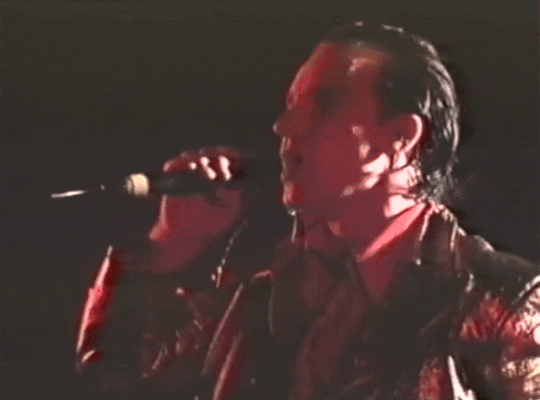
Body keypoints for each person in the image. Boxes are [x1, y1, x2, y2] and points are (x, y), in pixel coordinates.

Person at [76, 22, 540, 400]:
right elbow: (113, 378)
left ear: (400, 139)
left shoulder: (503, 302)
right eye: (290, 106)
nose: (284, 127)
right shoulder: (264, 292)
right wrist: (173, 242)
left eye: (324, 105)